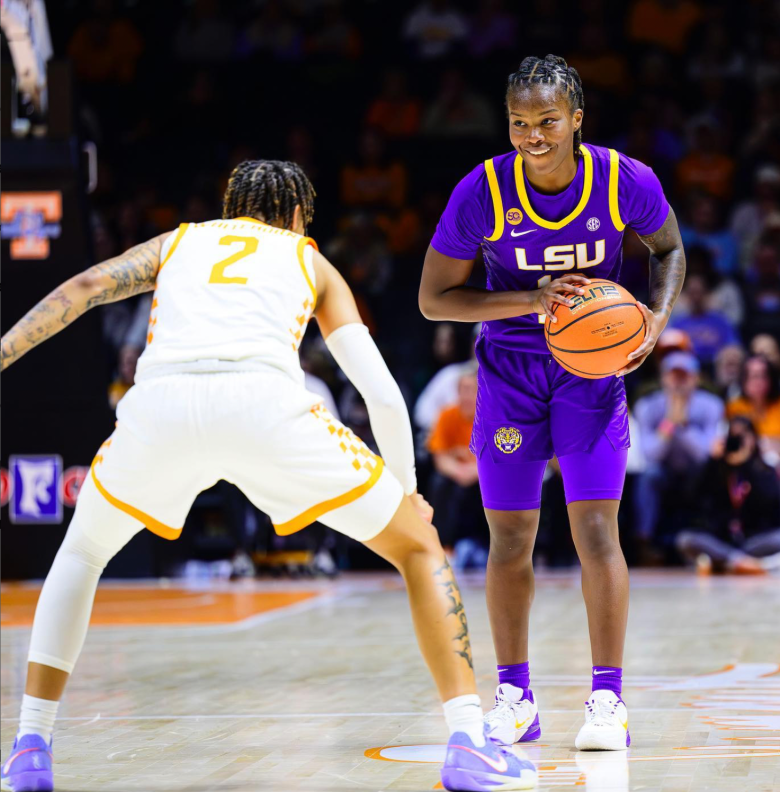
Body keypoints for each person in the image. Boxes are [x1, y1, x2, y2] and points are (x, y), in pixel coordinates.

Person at [0, 161, 536, 792]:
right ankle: (469, 741)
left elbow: (87, 285)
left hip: (161, 407)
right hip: (265, 409)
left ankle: (30, 746)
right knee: (420, 552)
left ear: (232, 207)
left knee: (83, 553)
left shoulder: (178, 241)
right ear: (295, 215)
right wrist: (409, 494)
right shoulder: (309, 259)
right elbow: (384, 398)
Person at [418, 55, 686, 751]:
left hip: (592, 373)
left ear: (575, 118)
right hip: (509, 370)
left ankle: (608, 702)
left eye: (545, 121)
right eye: (517, 123)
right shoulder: (481, 192)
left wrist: (654, 321)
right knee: (510, 540)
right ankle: (515, 696)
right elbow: (433, 298)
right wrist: (529, 301)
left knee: (597, 533)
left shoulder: (624, 179)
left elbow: (669, 250)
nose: (531, 135)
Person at [633, 352, 724, 547]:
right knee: (649, 475)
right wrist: (669, 425)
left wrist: (682, 426)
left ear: (696, 379)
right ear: (663, 378)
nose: (679, 382)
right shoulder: (646, 405)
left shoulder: (711, 405)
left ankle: (714, 537)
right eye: (674, 376)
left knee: (713, 473)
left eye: (684, 376)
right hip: (664, 470)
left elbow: (705, 455)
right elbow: (650, 455)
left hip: (696, 472)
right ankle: (644, 540)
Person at [676, 417, 780, 574]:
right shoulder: (716, 467)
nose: (738, 441)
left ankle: (724, 562)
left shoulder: (763, 468)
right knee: (686, 539)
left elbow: (770, 500)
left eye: (743, 436)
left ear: (754, 438)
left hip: (752, 541)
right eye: (734, 436)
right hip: (721, 539)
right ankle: (742, 563)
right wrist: (711, 460)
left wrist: (747, 464)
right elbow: (691, 494)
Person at [427, 366, 488, 568]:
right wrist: (459, 471)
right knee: (440, 484)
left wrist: (474, 470)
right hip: (458, 474)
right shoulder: (446, 416)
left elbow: (494, 457)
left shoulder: (490, 417)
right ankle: (446, 548)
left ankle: (488, 547)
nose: (467, 394)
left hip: (482, 475)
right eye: (463, 389)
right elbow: (440, 458)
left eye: (472, 389)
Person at [727, 354, 780, 457]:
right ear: (744, 379)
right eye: (754, 376)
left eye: (763, 376)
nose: (759, 382)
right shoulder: (733, 408)